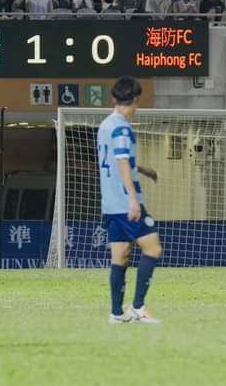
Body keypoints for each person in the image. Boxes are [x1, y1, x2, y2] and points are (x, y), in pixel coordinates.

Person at [98, 76, 162, 324]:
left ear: (114, 98)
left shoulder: (105, 125)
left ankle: (116, 313)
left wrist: (145, 170)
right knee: (153, 249)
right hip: (126, 202)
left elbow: (118, 159)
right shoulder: (122, 127)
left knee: (121, 256)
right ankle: (138, 307)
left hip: (110, 203)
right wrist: (134, 200)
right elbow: (122, 161)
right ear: (136, 99)